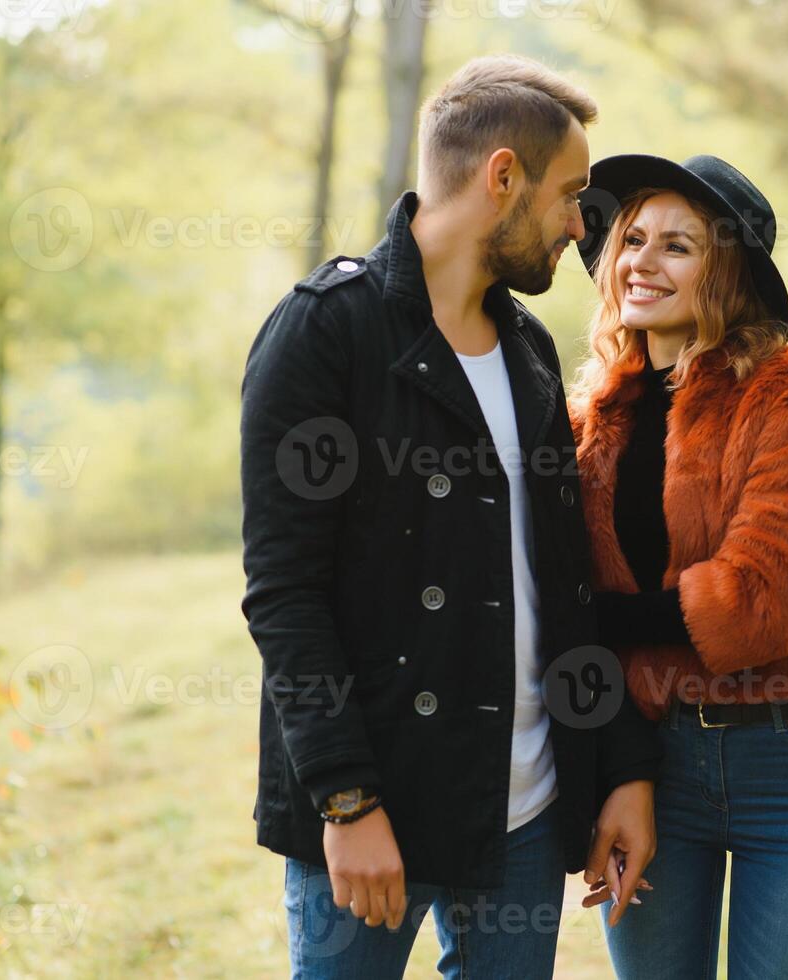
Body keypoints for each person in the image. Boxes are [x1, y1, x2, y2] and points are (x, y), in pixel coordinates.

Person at [239, 55, 659, 979]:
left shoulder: (532, 353)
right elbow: (284, 594)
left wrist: (620, 769)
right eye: (571, 195)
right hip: (378, 805)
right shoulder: (327, 331)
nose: (582, 226)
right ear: (501, 176)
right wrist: (347, 802)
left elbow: (569, 586)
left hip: (524, 813)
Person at [567, 153, 788, 979]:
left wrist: (586, 617)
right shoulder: (589, 416)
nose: (642, 262)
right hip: (648, 766)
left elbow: (760, 604)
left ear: (727, 271)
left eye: (678, 246)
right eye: (633, 239)